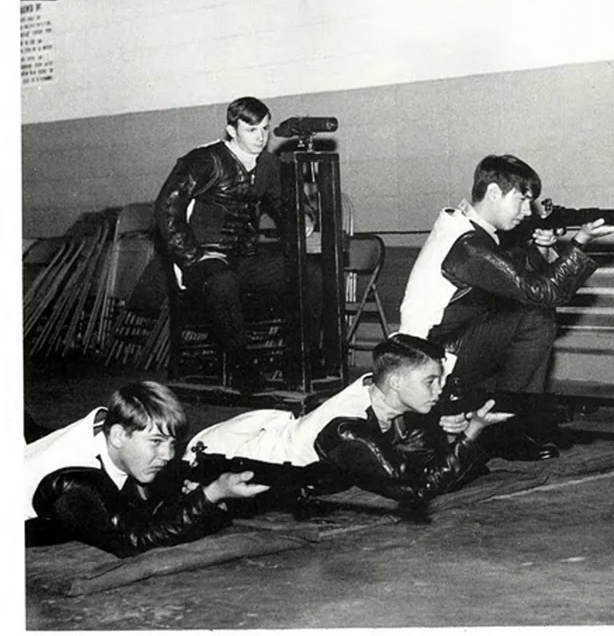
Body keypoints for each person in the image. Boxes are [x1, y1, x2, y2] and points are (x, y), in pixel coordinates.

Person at [397, 154, 614, 460]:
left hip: (441, 347)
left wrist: (541, 249)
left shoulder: (468, 229)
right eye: (522, 200)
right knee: (536, 319)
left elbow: (514, 279)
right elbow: (543, 292)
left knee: (527, 316)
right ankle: (504, 431)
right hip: (427, 360)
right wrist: (580, 242)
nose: (528, 212)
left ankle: (499, 424)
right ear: (493, 194)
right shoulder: (468, 245)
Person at [183, 334, 510, 506]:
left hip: (273, 432)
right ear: (396, 382)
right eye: (431, 381)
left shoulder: (377, 386)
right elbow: (415, 489)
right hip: (231, 459)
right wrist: (473, 431)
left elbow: (419, 451)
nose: (440, 390)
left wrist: (452, 434)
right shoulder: (347, 428)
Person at [154, 96, 322, 394]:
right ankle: (241, 368)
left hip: (244, 258)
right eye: (251, 130)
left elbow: (284, 206)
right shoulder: (204, 160)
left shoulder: (268, 164)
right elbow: (167, 210)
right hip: (204, 258)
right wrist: (192, 257)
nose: (260, 137)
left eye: (265, 129)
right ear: (232, 130)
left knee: (309, 272)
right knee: (222, 279)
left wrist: (303, 219)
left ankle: (302, 359)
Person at [24, 382, 268, 558]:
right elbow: (133, 541)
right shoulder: (73, 480)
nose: (168, 454)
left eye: (172, 443)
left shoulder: (110, 423)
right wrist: (212, 494)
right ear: (119, 435)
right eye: (156, 441)